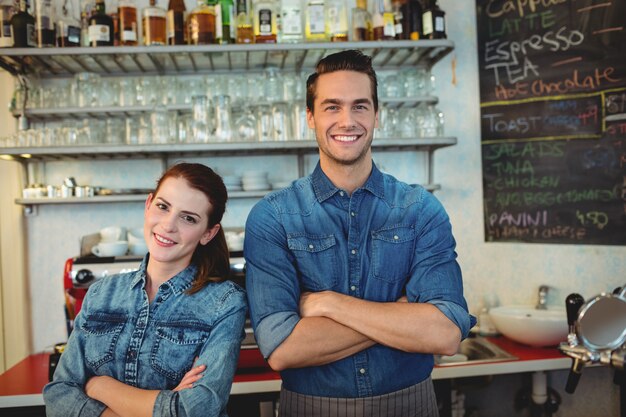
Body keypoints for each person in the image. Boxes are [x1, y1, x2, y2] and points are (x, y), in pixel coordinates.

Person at [244, 50, 475, 417]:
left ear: (377, 115)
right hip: (311, 408)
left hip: (411, 405)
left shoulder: (419, 209)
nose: (347, 120)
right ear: (310, 117)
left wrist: (330, 305)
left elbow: (445, 333)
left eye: (360, 106)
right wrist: (403, 315)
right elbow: (283, 349)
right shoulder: (273, 217)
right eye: (332, 107)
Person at [44, 163, 247, 417]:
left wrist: (100, 386)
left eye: (188, 218)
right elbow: (58, 394)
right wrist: (163, 402)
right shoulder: (100, 294)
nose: (168, 225)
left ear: (208, 233)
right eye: (163, 206)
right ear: (148, 204)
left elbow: (197, 408)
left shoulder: (225, 302)